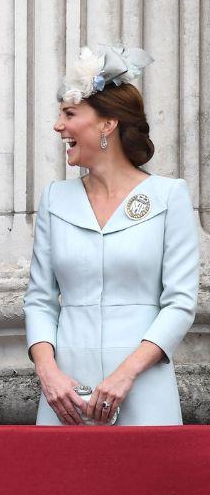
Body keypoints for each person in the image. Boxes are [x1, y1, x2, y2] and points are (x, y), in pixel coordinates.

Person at [24, 45, 197, 426]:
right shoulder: (56, 198)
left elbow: (181, 303)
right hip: (64, 397)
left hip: (143, 389)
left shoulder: (168, 196)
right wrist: (48, 373)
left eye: (69, 114)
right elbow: (39, 300)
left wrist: (125, 375)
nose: (58, 126)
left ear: (107, 124)